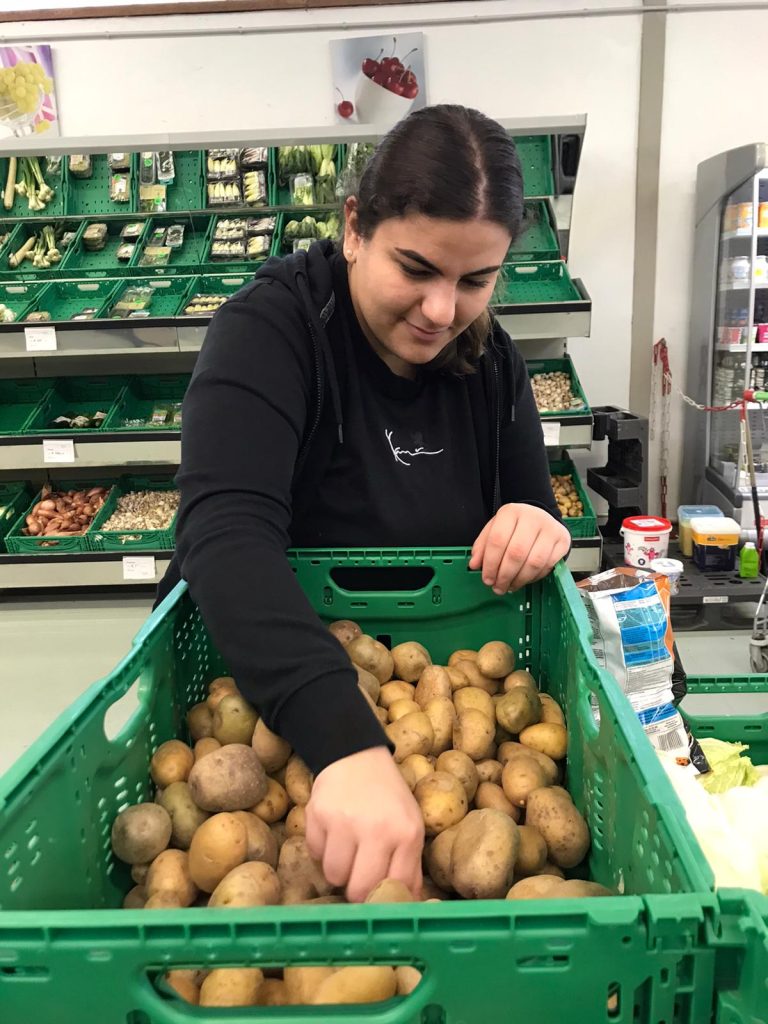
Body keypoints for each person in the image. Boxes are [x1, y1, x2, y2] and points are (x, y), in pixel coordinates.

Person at [157, 104, 570, 903]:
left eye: (474, 280)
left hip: (429, 663)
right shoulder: (270, 329)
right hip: (261, 663)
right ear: (353, 227)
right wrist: (346, 744)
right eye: (415, 268)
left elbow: (527, 507)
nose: (442, 311)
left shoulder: (491, 362)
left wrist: (535, 522)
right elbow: (225, 531)